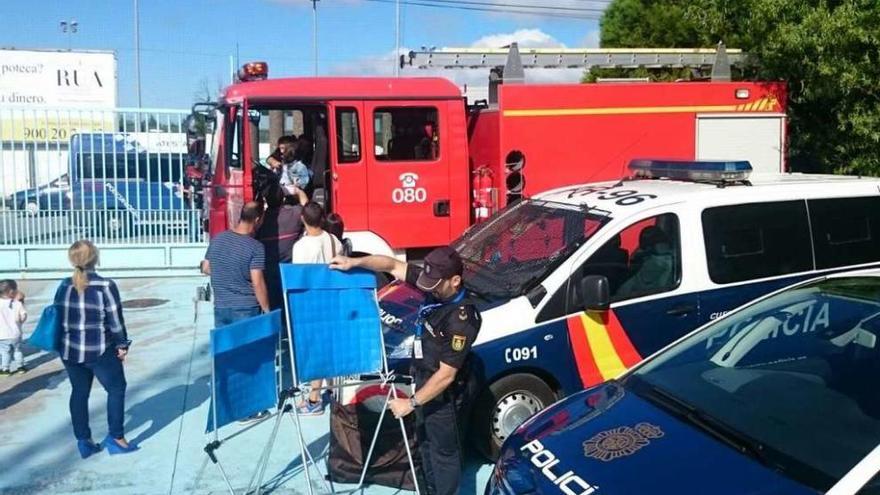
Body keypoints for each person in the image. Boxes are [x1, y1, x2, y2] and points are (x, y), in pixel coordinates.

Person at [330, 246, 481, 495]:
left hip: (444, 394)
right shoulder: (433, 282)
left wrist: (410, 403)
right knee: (423, 445)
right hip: (422, 379)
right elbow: (390, 265)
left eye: (435, 284)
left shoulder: (462, 319)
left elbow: (446, 375)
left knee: (443, 453)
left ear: (455, 281)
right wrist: (353, 262)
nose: (427, 287)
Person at [55, 240, 136, 457]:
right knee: (116, 388)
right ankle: (117, 438)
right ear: (95, 258)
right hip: (98, 349)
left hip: (70, 350)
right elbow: (115, 320)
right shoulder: (105, 286)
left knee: (79, 392)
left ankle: (84, 440)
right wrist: (121, 344)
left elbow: (58, 317)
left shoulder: (63, 285)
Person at [292, 201, 344, 415]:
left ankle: (314, 400)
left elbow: (299, 279)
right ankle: (332, 389)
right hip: (331, 301)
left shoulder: (301, 247)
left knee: (316, 350)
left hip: (311, 304)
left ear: (303, 219)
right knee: (330, 346)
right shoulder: (333, 240)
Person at [256, 183, 308, 310]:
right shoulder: (295, 213)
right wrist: (298, 191)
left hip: (269, 273)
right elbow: (308, 208)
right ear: (283, 198)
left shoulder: (260, 221)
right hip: (290, 270)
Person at [0, 279, 27, 375]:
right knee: (17, 350)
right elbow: (23, 317)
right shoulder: (17, 304)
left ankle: (5, 369)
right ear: (11, 292)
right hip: (16, 334)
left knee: (5, 352)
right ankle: (21, 367)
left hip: (2, 335)